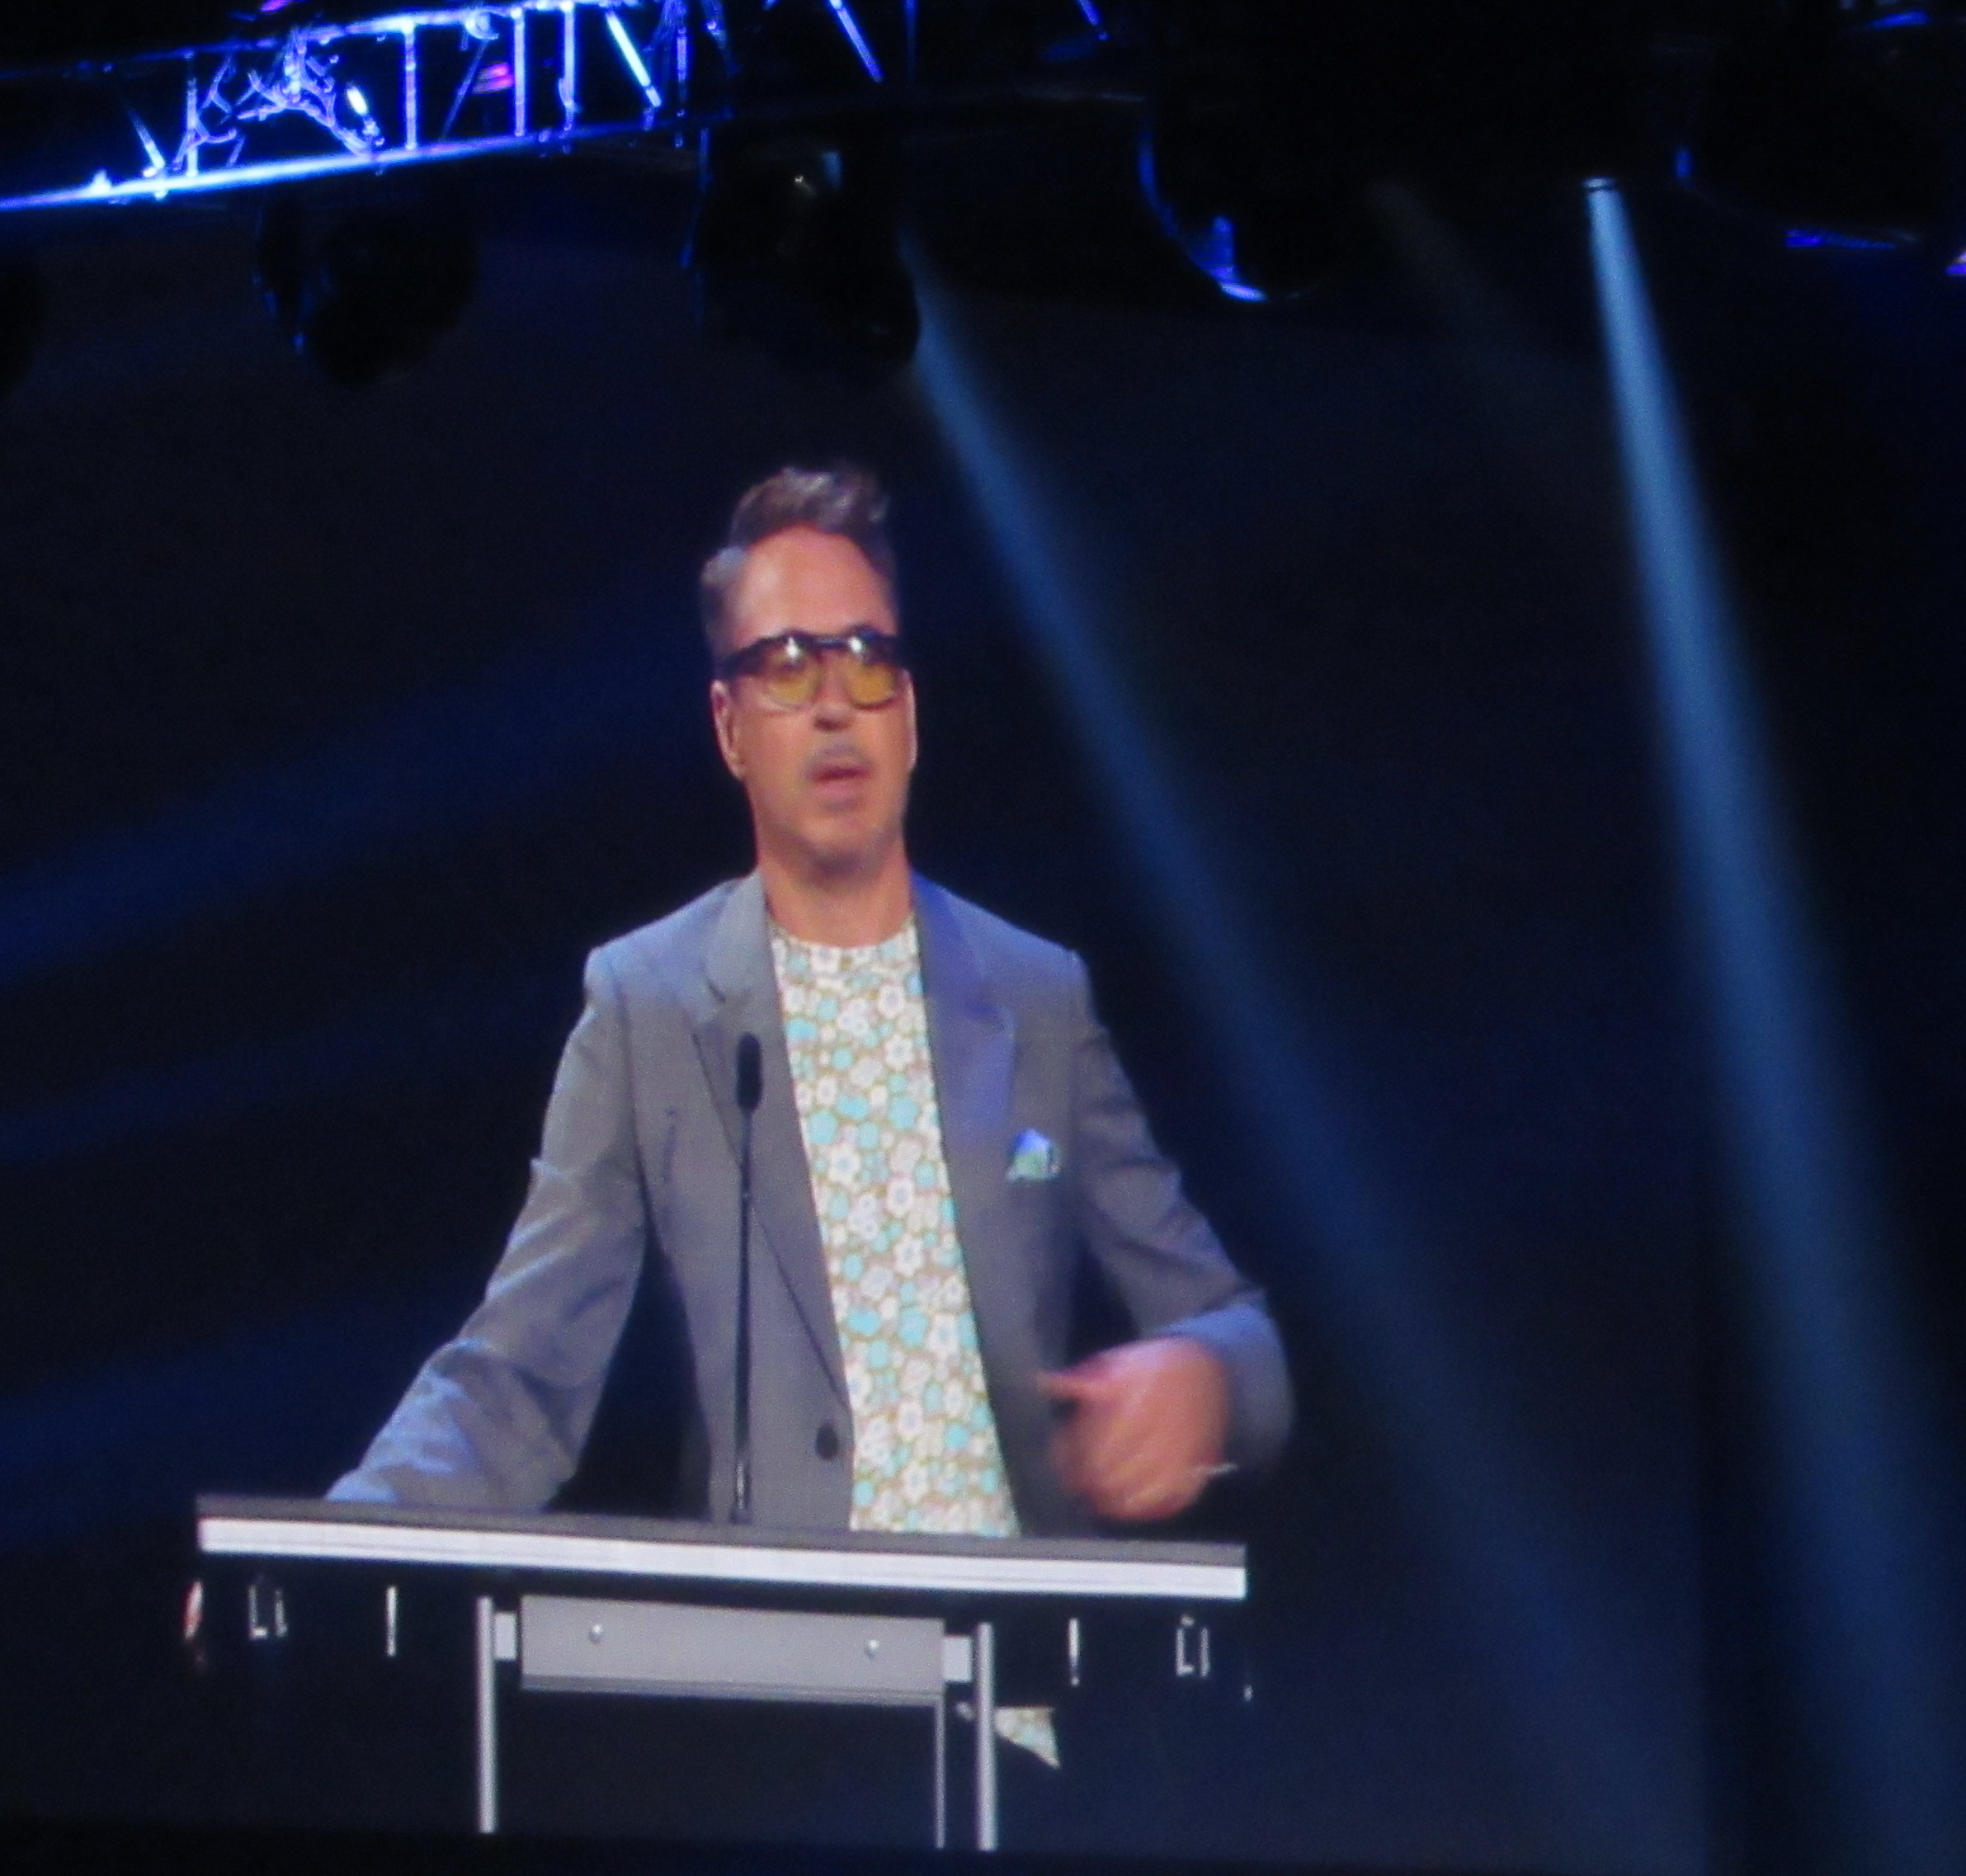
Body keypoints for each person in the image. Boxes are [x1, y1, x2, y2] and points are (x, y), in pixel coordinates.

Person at [333, 462, 1289, 1537]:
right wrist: (335, 1546)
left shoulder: (1037, 998)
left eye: (868, 660)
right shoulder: (649, 1007)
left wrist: (1203, 1377)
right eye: (788, 665)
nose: (835, 703)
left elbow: (1237, 1332)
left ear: (909, 715)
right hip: (777, 1636)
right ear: (729, 725)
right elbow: (518, 1377)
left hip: (1007, 1640)